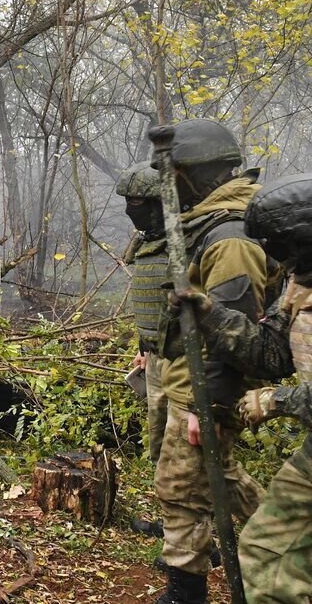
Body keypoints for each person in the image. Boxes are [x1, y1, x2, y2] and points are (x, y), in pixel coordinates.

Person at [147, 119, 282, 604]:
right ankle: (285, 531)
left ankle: (186, 594)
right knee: (207, 478)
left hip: (206, 386)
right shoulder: (209, 225)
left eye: (174, 177)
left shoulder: (229, 237)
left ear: (195, 175)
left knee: (182, 490)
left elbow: (238, 333)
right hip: (190, 379)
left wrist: (214, 404)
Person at [174, 172, 312, 603]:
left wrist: (277, 400)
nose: (275, 256)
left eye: (278, 244)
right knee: (268, 550)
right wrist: (210, 314)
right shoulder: (300, 285)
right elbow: (270, 353)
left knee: (271, 555)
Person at [116, 162, 170, 464]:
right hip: (155, 356)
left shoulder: (186, 243)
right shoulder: (149, 242)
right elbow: (152, 300)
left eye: (135, 202)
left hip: (184, 363)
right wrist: (143, 348)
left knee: (187, 456)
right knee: (159, 448)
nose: (129, 210)